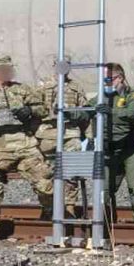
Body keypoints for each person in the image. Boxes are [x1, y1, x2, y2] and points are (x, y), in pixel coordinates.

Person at [0, 53, 53, 246]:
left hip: (24, 145)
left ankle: (51, 216)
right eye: (3, 68)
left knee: (45, 182)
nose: (8, 72)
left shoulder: (23, 90)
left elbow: (43, 109)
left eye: (9, 68)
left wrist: (30, 111)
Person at [90, 62, 134, 224]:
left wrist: (112, 112)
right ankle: (105, 225)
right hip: (108, 150)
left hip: (131, 149)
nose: (106, 84)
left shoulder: (133, 96)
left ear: (120, 78)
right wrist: (72, 113)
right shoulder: (100, 99)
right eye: (103, 81)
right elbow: (86, 111)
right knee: (104, 189)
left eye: (109, 80)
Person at [35, 56, 90, 215]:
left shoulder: (76, 87)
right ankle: (48, 207)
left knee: (71, 174)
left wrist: (75, 115)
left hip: (70, 134)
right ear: (54, 65)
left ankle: (69, 207)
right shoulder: (42, 86)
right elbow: (33, 111)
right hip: (47, 134)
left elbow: (85, 114)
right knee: (45, 174)